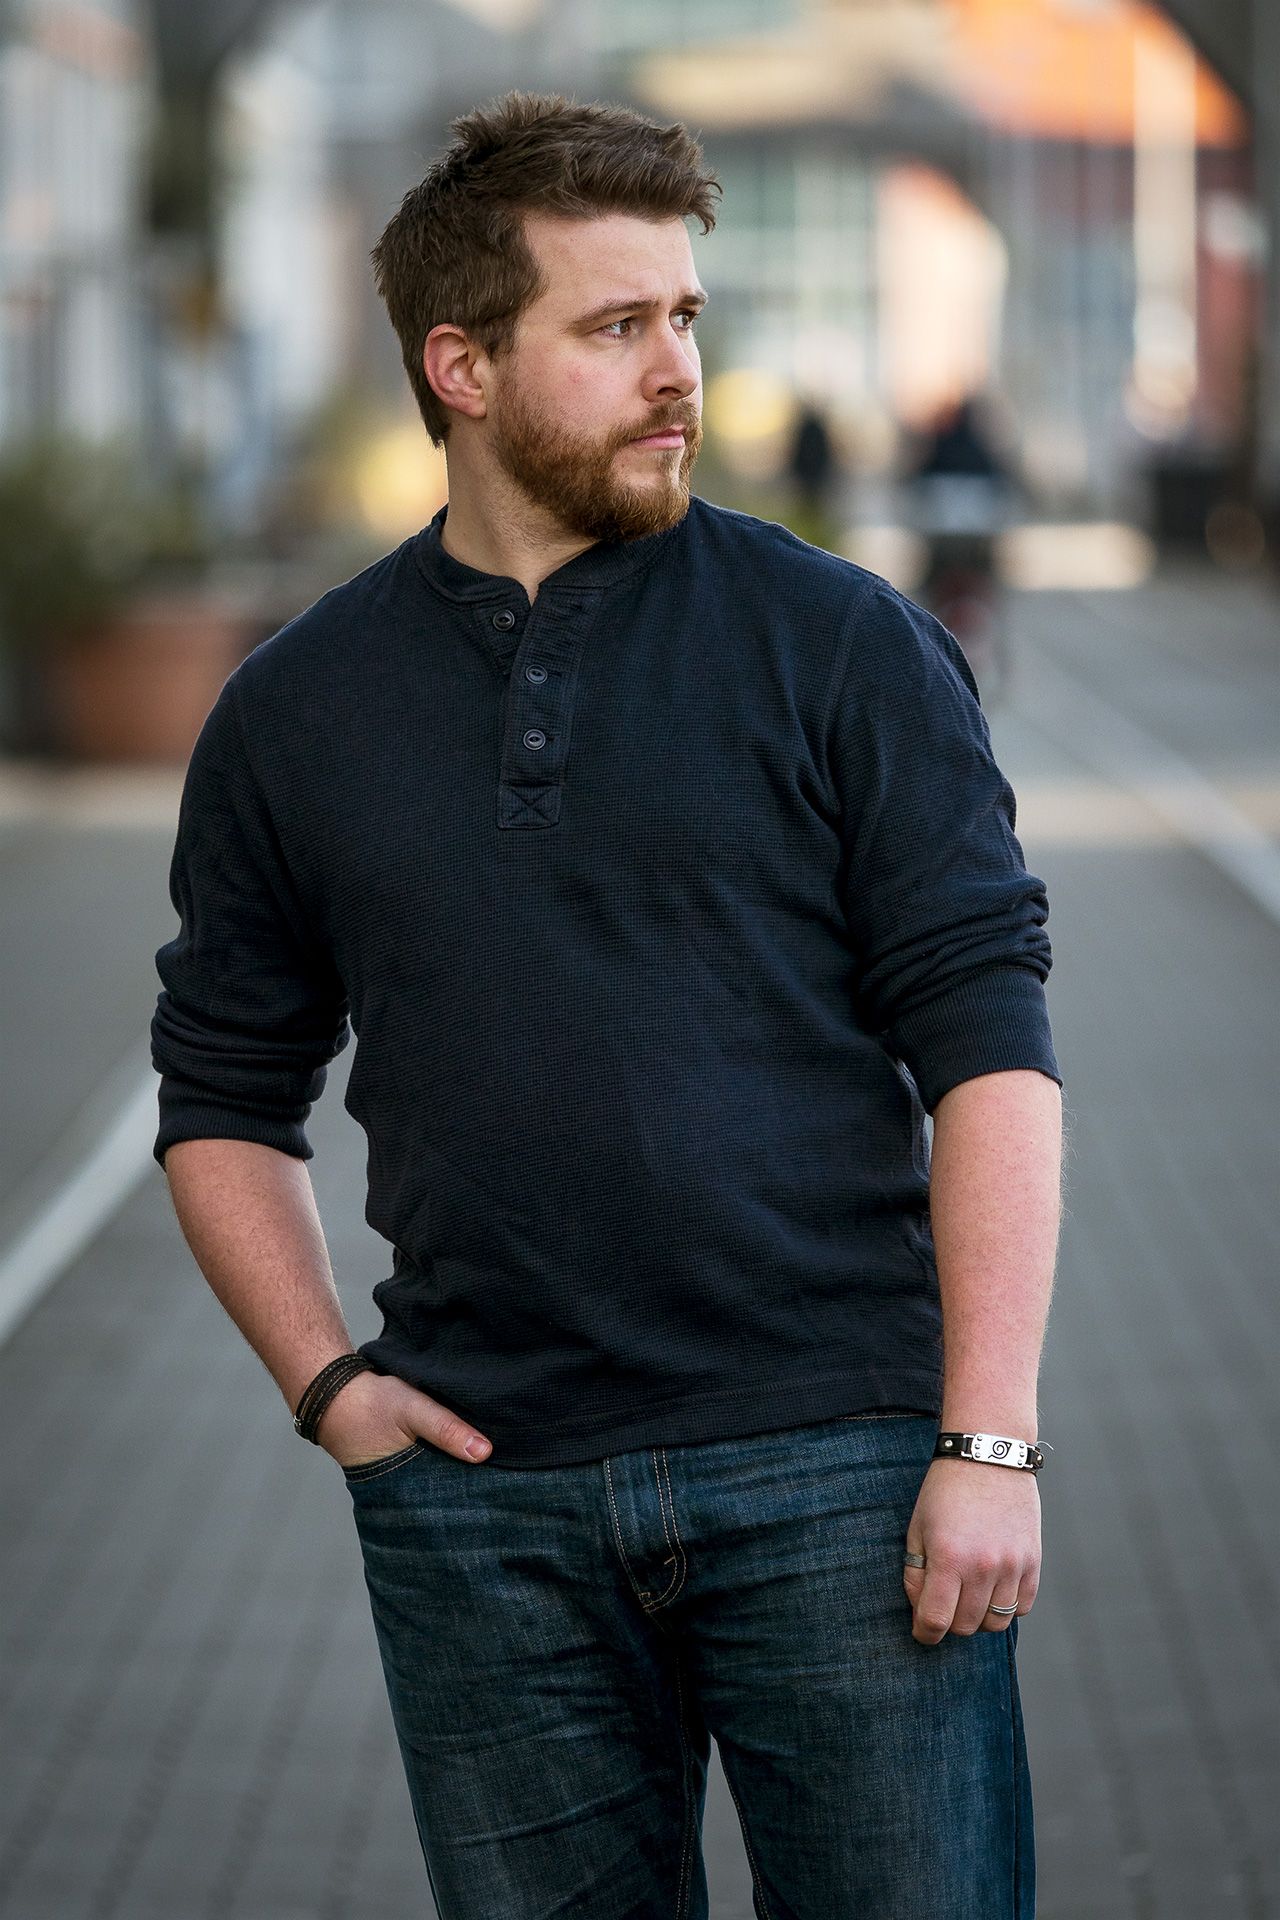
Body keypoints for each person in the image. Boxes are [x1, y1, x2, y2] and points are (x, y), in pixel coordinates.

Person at [151, 90, 1064, 1920]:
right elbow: (221, 1095)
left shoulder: (842, 644)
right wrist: (330, 1390)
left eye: (687, 318)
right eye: (618, 325)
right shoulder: (295, 709)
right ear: (462, 366)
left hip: (841, 1481)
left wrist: (987, 1441)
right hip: (484, 1509)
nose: (677, 373)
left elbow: (990, 1051)